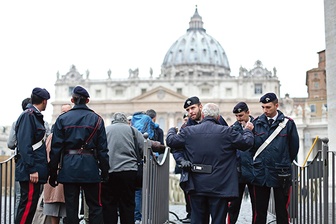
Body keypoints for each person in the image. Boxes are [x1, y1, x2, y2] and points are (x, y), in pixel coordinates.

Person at [166, 103, 254, 224]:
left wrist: (171, 130)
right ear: (218, 117)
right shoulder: (227, 132)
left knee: (198, 219)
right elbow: (247, 143)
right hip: (220, 185)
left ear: (202, 114)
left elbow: (170, 141)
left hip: (196, 184)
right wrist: (248, 131)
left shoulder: (189, 131)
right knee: (218, 219)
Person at [49, 85, 110, 224]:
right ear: (87, 101)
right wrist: (105, 171)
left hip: (69, 167)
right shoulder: (97, 119)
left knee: (71, 207)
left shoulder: (62, 119)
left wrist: (53, 173)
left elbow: (56, 148)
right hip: (90, 167)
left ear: (72, 99)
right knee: (95, 206)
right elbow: (103, 150)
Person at [171, 96, 229, 223]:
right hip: (195, 177)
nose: (190, 111)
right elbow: (176, 148)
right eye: (188, 109)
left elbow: (229, 143)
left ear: (200, 107)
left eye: (193, 108)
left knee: (218, 217)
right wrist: (181, 160)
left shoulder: (218, 120)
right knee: (198, 216)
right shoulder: (186, 127)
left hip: (217, 176)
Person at [251, 92, 299, 224]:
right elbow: (252, 148)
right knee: (259, 212)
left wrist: (283, 162)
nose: (265, 110)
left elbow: (294, 148)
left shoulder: (288, 124)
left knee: (282, 212)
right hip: (261, 173)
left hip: (281, 173)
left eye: (268, 107)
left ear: (276, 105)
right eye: (263, 107)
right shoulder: (256, 123)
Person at [14, 88, 50, 224]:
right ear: (44, 101)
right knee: (27, 205)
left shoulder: (33, 115)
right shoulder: (29, 116)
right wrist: (32, 169)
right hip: (31, 170)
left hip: (34, 168)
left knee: (30, 205)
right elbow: (25, 145)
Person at [102, 112, 145, 224]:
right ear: (125, 120)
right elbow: (144, 149)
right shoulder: (133, 131)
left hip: (109, 171)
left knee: (109, 204)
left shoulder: (106, 130)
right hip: (129, 171)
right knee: (127, 204)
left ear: (113, 121)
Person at [43, 104, 72, 224]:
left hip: (65, 173)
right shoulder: (54, 134)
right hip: (57, 172)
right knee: (55, 206)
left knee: (66, 206)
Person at [227, 102, 255, 224]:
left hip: (254, 171)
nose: (239, 119)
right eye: (237, 116)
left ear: (248, 112)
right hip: (238, 172)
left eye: (241, 115)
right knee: (233, 205)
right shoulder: (233, 128)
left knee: (257, 206)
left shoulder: (258, 125)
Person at [7, 97, 31, 216]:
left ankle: (18, 219)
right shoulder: (44, 123)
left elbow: (10, 144)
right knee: (34, 197)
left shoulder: (16, 122)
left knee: (20, 195)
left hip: (21, 161)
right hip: (38, 163)